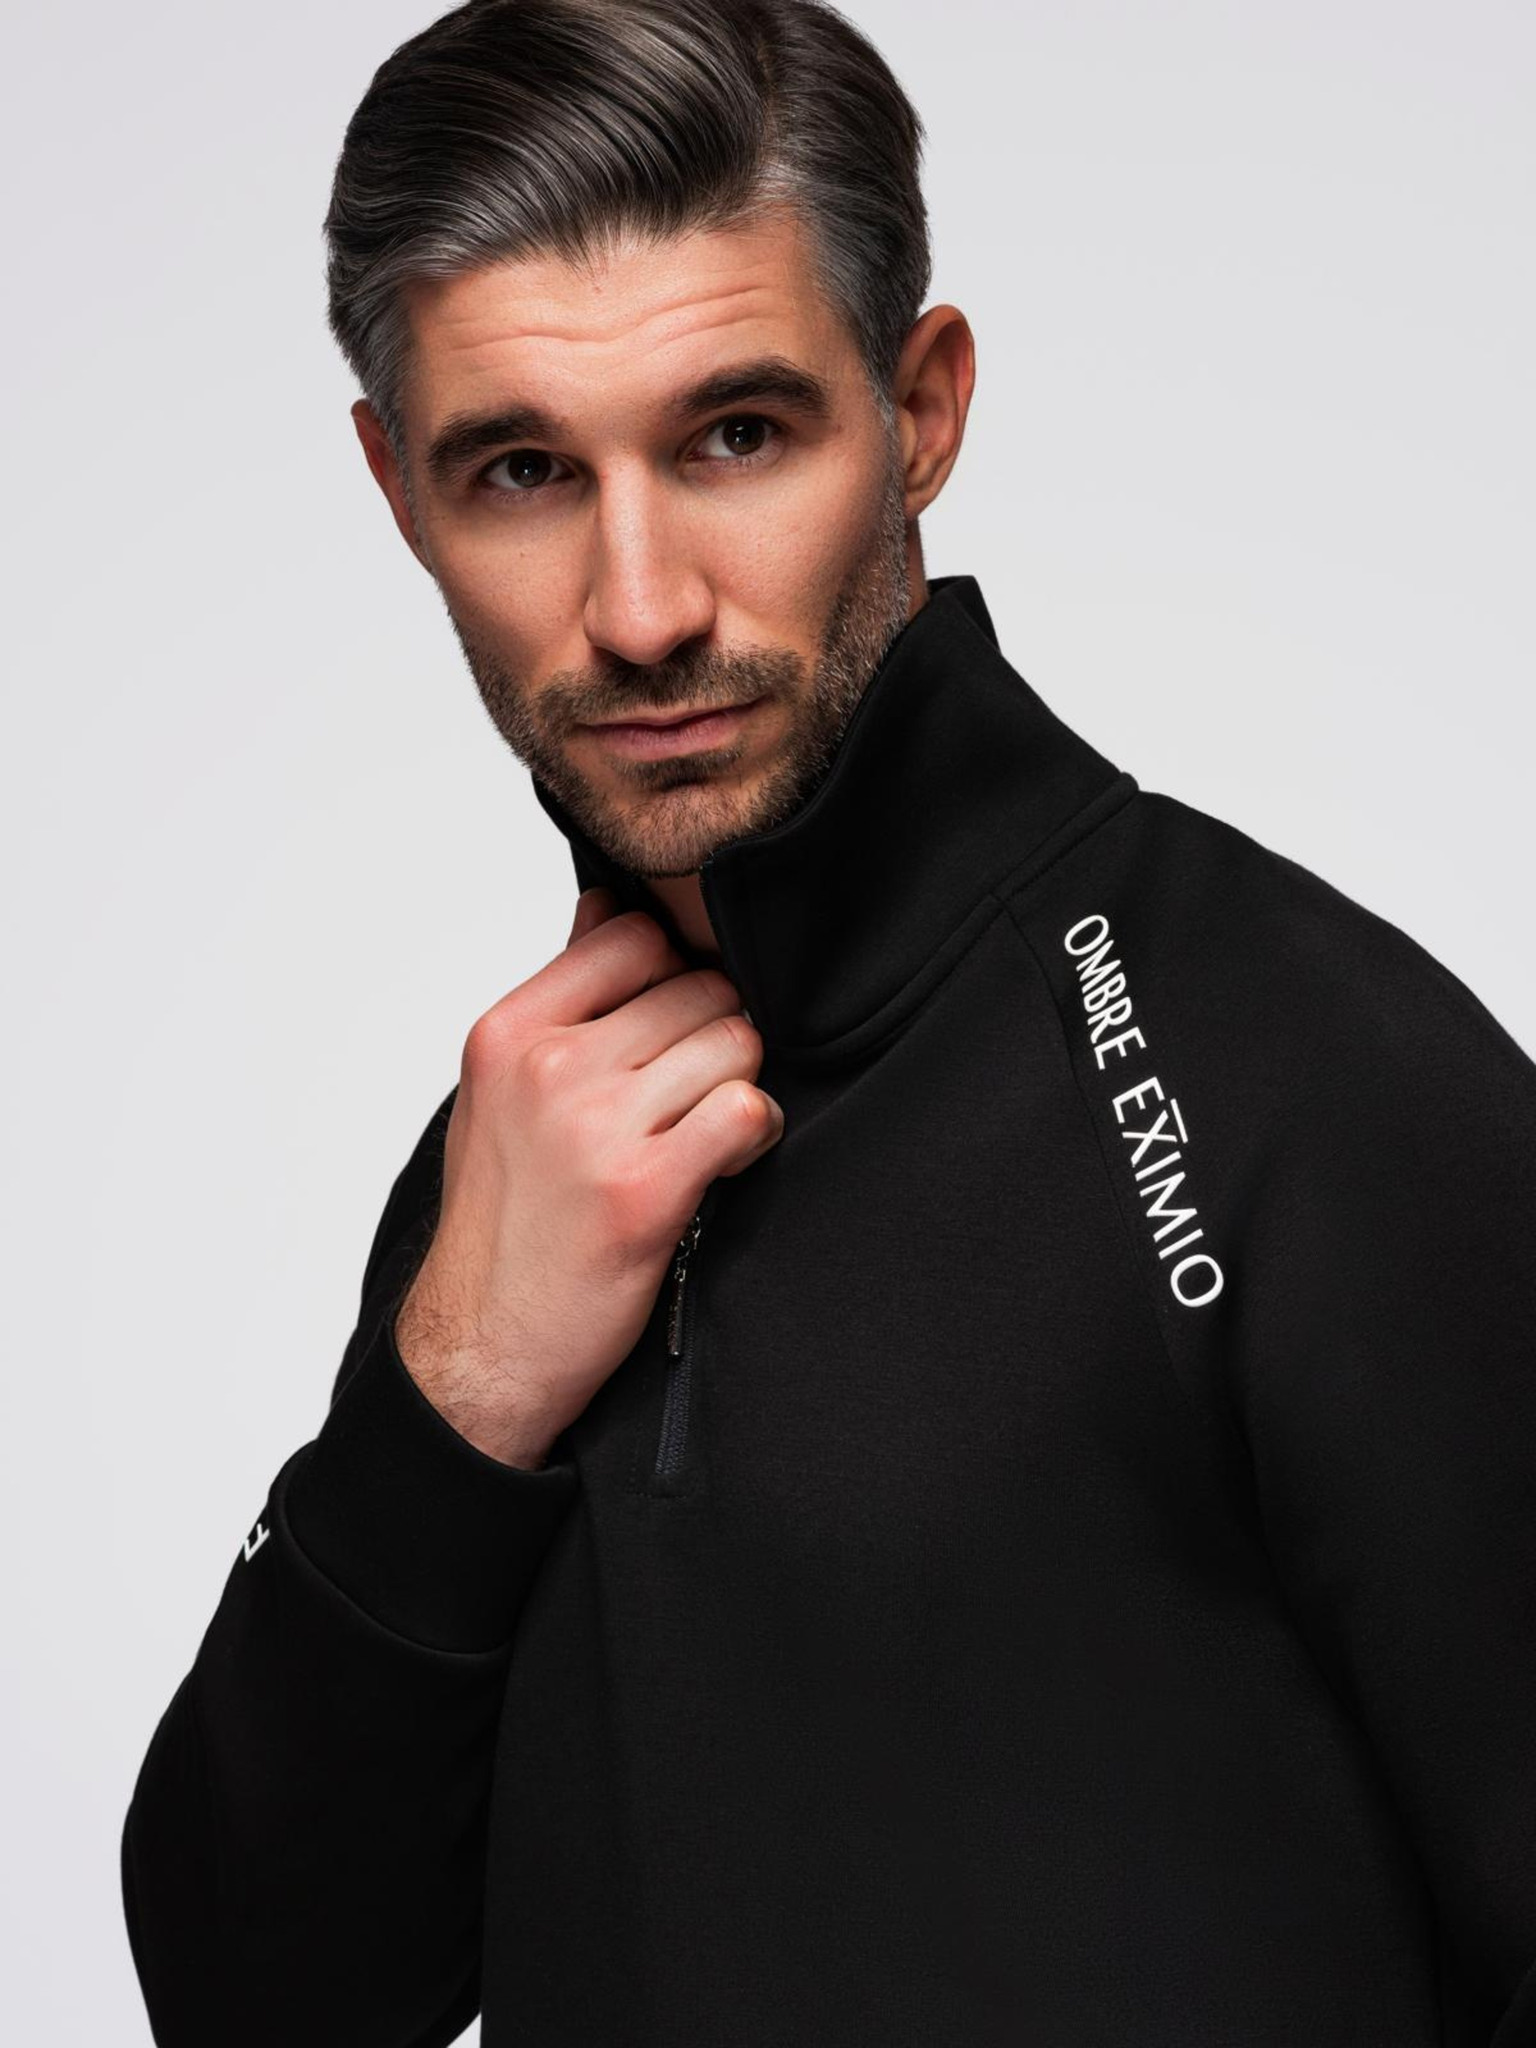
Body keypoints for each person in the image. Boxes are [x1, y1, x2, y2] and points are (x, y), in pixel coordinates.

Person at [120, 2, 1536, 2042]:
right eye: (522, 470)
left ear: (921, 406)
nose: (640, 607)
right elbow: (260, 1997)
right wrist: (453, 1394)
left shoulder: (1301, 1078)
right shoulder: (509, 1167)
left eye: (736, 436)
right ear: (398, 491)